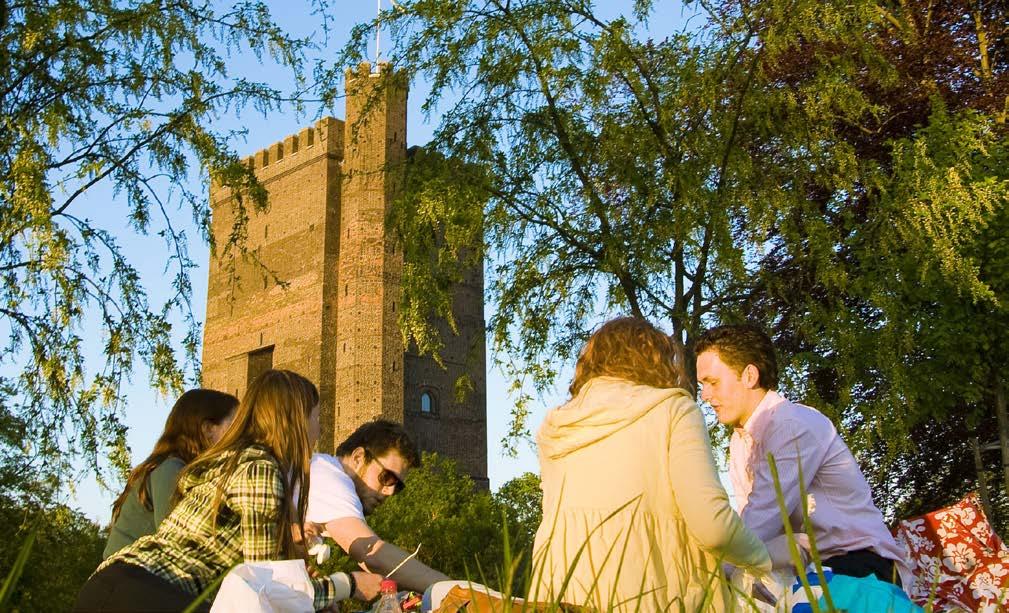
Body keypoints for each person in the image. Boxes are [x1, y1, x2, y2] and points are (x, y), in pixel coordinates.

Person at [75, 370, 382, 612]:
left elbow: (252, 571)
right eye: (316, 415)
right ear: (297, 418)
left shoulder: (230, 460)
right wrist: (350, 583)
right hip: (150, 593)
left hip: (114, 585)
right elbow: (270, 588)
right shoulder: (260, 466)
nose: (320, 427)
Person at [532, 317, 771, 611]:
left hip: (557, 597)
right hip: (651, 597)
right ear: (655, 360)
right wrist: (764, 558)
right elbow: (712, 526)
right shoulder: (673, 409)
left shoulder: (555, 427)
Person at [694, 324, 909, 586]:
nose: (705, 396)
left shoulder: (792, 425)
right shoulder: (740, 443)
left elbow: (760, 522)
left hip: (858, 566)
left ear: (750, 375)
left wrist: (709, 580)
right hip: (809, 570)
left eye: (712, 383)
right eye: (702, 385)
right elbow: (752, 529)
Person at [306, 419, 451, 593]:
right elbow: (372, 553)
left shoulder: (320, 471)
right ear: (358, 458)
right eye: (387, 477)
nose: (389, 491)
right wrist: (454, 590)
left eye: (398, 486)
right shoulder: (332, 478)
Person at [103, 389, 239, 559]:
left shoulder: (174, 468)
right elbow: (177, 541)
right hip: (129, 578)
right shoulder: (170, 469)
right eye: (234, 426)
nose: (240, 434)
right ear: (208, 429)